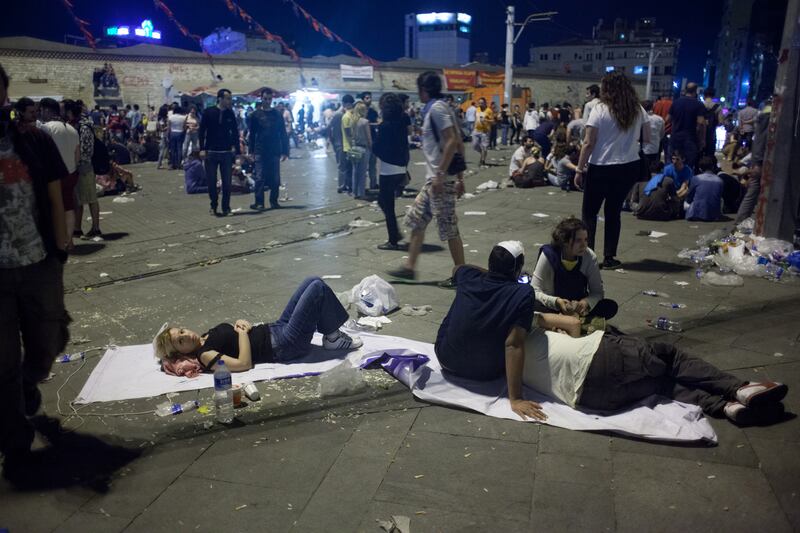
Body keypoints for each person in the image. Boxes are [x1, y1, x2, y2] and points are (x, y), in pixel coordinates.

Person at [0, 64, 71, 471]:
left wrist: (62, 236)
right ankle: (15, 442)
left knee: (49, 340)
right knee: (2, 361)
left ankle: (30, 380)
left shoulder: (31, 140)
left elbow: (53, 188)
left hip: (39, 259)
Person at [523, 327, 788, 426]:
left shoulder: (503, 364)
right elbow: (571, 323)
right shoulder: (524, 323)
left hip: (597, 398)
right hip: (601, 359)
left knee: (661, 384)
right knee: (669, 356)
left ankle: (724, 407)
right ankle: (740, 388)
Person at [435, 241, 547, 421]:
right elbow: (514, 344)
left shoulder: (467, 275)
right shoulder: (523, 293)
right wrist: (516, 398)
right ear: (517, 269)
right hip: (486, 372)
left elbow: (458, 267)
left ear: (490, 264)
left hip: (446, 358)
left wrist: (490, 273)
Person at [154, 277, 363, 371]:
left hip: (276, 328)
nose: (186, 335)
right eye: (180, 341)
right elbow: (243, 363)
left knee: (312, 280)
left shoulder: (203, 337)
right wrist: (243, 334)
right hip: (285, 344)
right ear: (181, 352)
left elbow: (233, 338)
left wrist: (241, 325)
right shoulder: (205, 355)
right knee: (317, 288)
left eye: (181, 331)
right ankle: (333, 337)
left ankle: (332, 334)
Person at [387, 71, 465, 287]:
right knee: (417, 219)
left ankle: (461, 276)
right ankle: (409, 268)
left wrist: (446, 175)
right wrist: (460, 177)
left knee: (449, 228)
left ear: (425, 89)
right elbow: (457, 141)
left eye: (419, 88)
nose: (417, 92)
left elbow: (452, 141)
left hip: (441, 181)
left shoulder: (438, 108)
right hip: (435, 180)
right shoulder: (435, 107)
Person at [575, 72, 650, 269]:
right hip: (628, 167)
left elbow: (588, 142)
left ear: (606, 88)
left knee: (590, 213)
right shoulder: (638, 109)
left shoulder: (599, 109)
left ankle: (588, 258)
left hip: (601, 166)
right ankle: (609, 257)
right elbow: (648, 138)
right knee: (613, 212)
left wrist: (579, 169)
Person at [532, 216, 617, 322]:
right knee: (529, 302)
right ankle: (572, 322)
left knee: (610, 306)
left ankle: (562, 321)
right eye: (578, 240)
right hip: (553, 305)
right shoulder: (549, 254)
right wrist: (556, 302)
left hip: (577, 307)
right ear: (565, 241)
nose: (584, 245)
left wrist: (586, 302)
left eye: (586, 240)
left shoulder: (589, 256)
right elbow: (534, 290)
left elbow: (597, 292)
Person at [39, 97, 79, 249]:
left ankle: (58, 241)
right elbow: (77, 154)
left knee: (55, 207)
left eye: (41, 110)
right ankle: (69, 240)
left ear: (47, 110)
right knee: (68, 206)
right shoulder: (71, 129)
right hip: (71, 173)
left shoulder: (46, 128)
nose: (40, 113)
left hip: (54, 176)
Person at [372, 93, 410, 251]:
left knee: (386, 203)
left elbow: (378, 149)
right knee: (385, 201)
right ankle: (395, 234)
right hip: (401, 166)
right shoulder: (403, 120)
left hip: (388, 169)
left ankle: (393, 239)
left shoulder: (384, 126)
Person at [198, 89, 240, 216]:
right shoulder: (209, 112)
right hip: (211, 152)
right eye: (228, 98)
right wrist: (202, 149)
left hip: (226, 152)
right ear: (220, 99)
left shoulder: (230, 113)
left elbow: (235, 132)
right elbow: (202, 131)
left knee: (227, 182)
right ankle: (213, 205)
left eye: (230, 98)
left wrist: (237, 151)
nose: (230, 101)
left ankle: (226, 207)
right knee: (211, 181)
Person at [64, 100, 101, 239]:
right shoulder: (77, 125)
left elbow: (86, 149)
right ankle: (77, 228)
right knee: (79, 199)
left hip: (85, 166)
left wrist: (77, 161)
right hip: (79, 166)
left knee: (91, 198)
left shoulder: (84, 127)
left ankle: (96, 228)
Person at [247, 87, 289, 211]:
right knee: (259, 177)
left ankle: (274, 201)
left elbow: (282, 133)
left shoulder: (277, 114)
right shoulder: (255, 115)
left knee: (275, 178)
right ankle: (259, 202)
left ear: (272, 99)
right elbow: (252, 134)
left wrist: (285, 151)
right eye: (265, 99)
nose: (267, 101)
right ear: (261, 98)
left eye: (269, 99)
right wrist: (251, 151)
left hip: (274, 150)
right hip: (260, 150)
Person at [734, 103, 770, 224]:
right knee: (754, 190)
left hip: (756, 157)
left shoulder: (761, 114)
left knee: (753, 191)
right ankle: (742, 221)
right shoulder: (767, 116)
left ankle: (741, 221)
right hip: (760, 161)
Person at [668, 82, 706, 170]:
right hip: (690, 138)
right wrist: (702, 140)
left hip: (675, 137)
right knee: (688, 165)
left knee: (673, 163)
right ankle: (686, 183)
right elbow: (701, 123)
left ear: (685, 90)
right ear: (695, 91)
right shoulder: (698, 104)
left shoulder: (676, 103)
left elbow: (668, 119)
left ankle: (673, 181)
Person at [685, 155, 724, 221]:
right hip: (714, 216)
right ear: (712, 167)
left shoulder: (696, 178)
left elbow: (689, 197)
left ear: (700, 168)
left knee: (685, 202)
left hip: (696, 214)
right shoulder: (720, 180)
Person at [330, 95, 354, 193]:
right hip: (340, 143)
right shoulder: (339, 115)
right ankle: (341, 186)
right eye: (349, 104)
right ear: (344, 103)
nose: (350, 107)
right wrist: (332, 142)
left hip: (345, 143)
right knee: (342, 166)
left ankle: (348, 184)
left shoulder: (346, 114)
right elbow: (330, 128)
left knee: (348, 166)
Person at [350, 101, 372, 199]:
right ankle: (361, 193)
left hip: (354, 147)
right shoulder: (365, 122)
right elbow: (368, 137)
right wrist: (371, 147)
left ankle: (354, 192)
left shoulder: (353, 121)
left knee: (355, 171)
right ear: (363, 110)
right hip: (363, 148)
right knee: (363, 172)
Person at [361, 92, 379, 190]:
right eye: (367, 98)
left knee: (373, 164)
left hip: (373, 140)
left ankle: (373, 183)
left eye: (370, 98)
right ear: (363, 99)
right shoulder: (360, 112)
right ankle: (362, 185)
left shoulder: (373, 112)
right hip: (363, 142)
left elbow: (377, 122)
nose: (369, 99)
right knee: (363, 166)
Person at [641, 100, 664, 168]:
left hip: (643, 149)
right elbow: (662, 134)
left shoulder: (641, 118)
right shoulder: (660, 119)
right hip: (655, 148)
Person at [472, 97, 493, 166]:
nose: (480, 104)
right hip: (476, 130)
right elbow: (475, 118)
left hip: (485, 131)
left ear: (485, 103)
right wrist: (473, 127)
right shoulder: (477, 109)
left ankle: (483, 160)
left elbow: (493, 121)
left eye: (482, 103)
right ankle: (481, 153)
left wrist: (486, 120)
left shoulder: (489, 111)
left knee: (484, 147)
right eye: (479, 103)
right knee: (474, 145)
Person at [702, 89, 723, 158]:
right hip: (712, 133)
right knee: (710, 153)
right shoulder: (718, 107)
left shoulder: (700, 105)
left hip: (700, 134)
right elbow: (720, 122)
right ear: (713, 96)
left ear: (704, 95)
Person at [167, 105, 186, 170]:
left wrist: (168, 135)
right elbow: (184, 127)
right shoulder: (183, 117)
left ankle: (172, 164)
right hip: (180, 132)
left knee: (172, 149)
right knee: (179, 149)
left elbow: (169, 127)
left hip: (172, 133)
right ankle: (179, 164)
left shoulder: (171, 117)